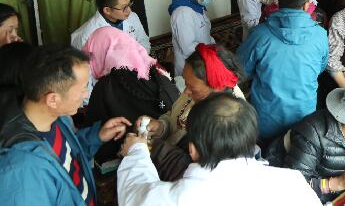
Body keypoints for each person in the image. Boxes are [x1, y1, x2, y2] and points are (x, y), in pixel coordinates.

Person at [116, 93, 320, 205]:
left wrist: (137, 152)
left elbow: (134, 194)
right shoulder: (292, 183)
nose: (186, 91)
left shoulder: (177, 199)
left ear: (192, 149)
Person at [0, 46, 130, 206]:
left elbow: (68, 157)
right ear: (53, 100)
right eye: (83, 88)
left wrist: (97, 136)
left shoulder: (56, 119)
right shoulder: (21, 171)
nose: (86, 94)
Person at [237, 0, 328, 142]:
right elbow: (320, 68)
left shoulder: (259, 34)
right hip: (304, 119)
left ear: (278, 1)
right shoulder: (320, 35)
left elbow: (240, 70)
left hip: (266, 119)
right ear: (306, 4)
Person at [135, 44, 244, 181]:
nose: (186, 91)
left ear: (216, 88)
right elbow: (174, 115)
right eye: (186, 83)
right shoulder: (196, 91)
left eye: (192, 87)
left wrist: (157, 149)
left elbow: (201, 173)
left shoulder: (230, 119)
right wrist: (160, 126)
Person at [84, 27, 179, 163]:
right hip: (172, 155)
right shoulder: (158, 71)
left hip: (131, 162)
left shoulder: (105, 87)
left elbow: (93, 136)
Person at [71, 0, 150, 53]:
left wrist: (139, 58)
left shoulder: (132, 17)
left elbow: (143, 41)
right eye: (124, 7)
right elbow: (86, 63)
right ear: (107, 10)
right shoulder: (87, 34)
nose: (129, 10)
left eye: (129, 4)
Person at [169, 0, 220, 75]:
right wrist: (209, 54)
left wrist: (214, 48)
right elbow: (188, 48)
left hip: (203, 58)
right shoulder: (183, 13)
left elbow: (205, 34)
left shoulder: (197, 7)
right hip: (190, 65)